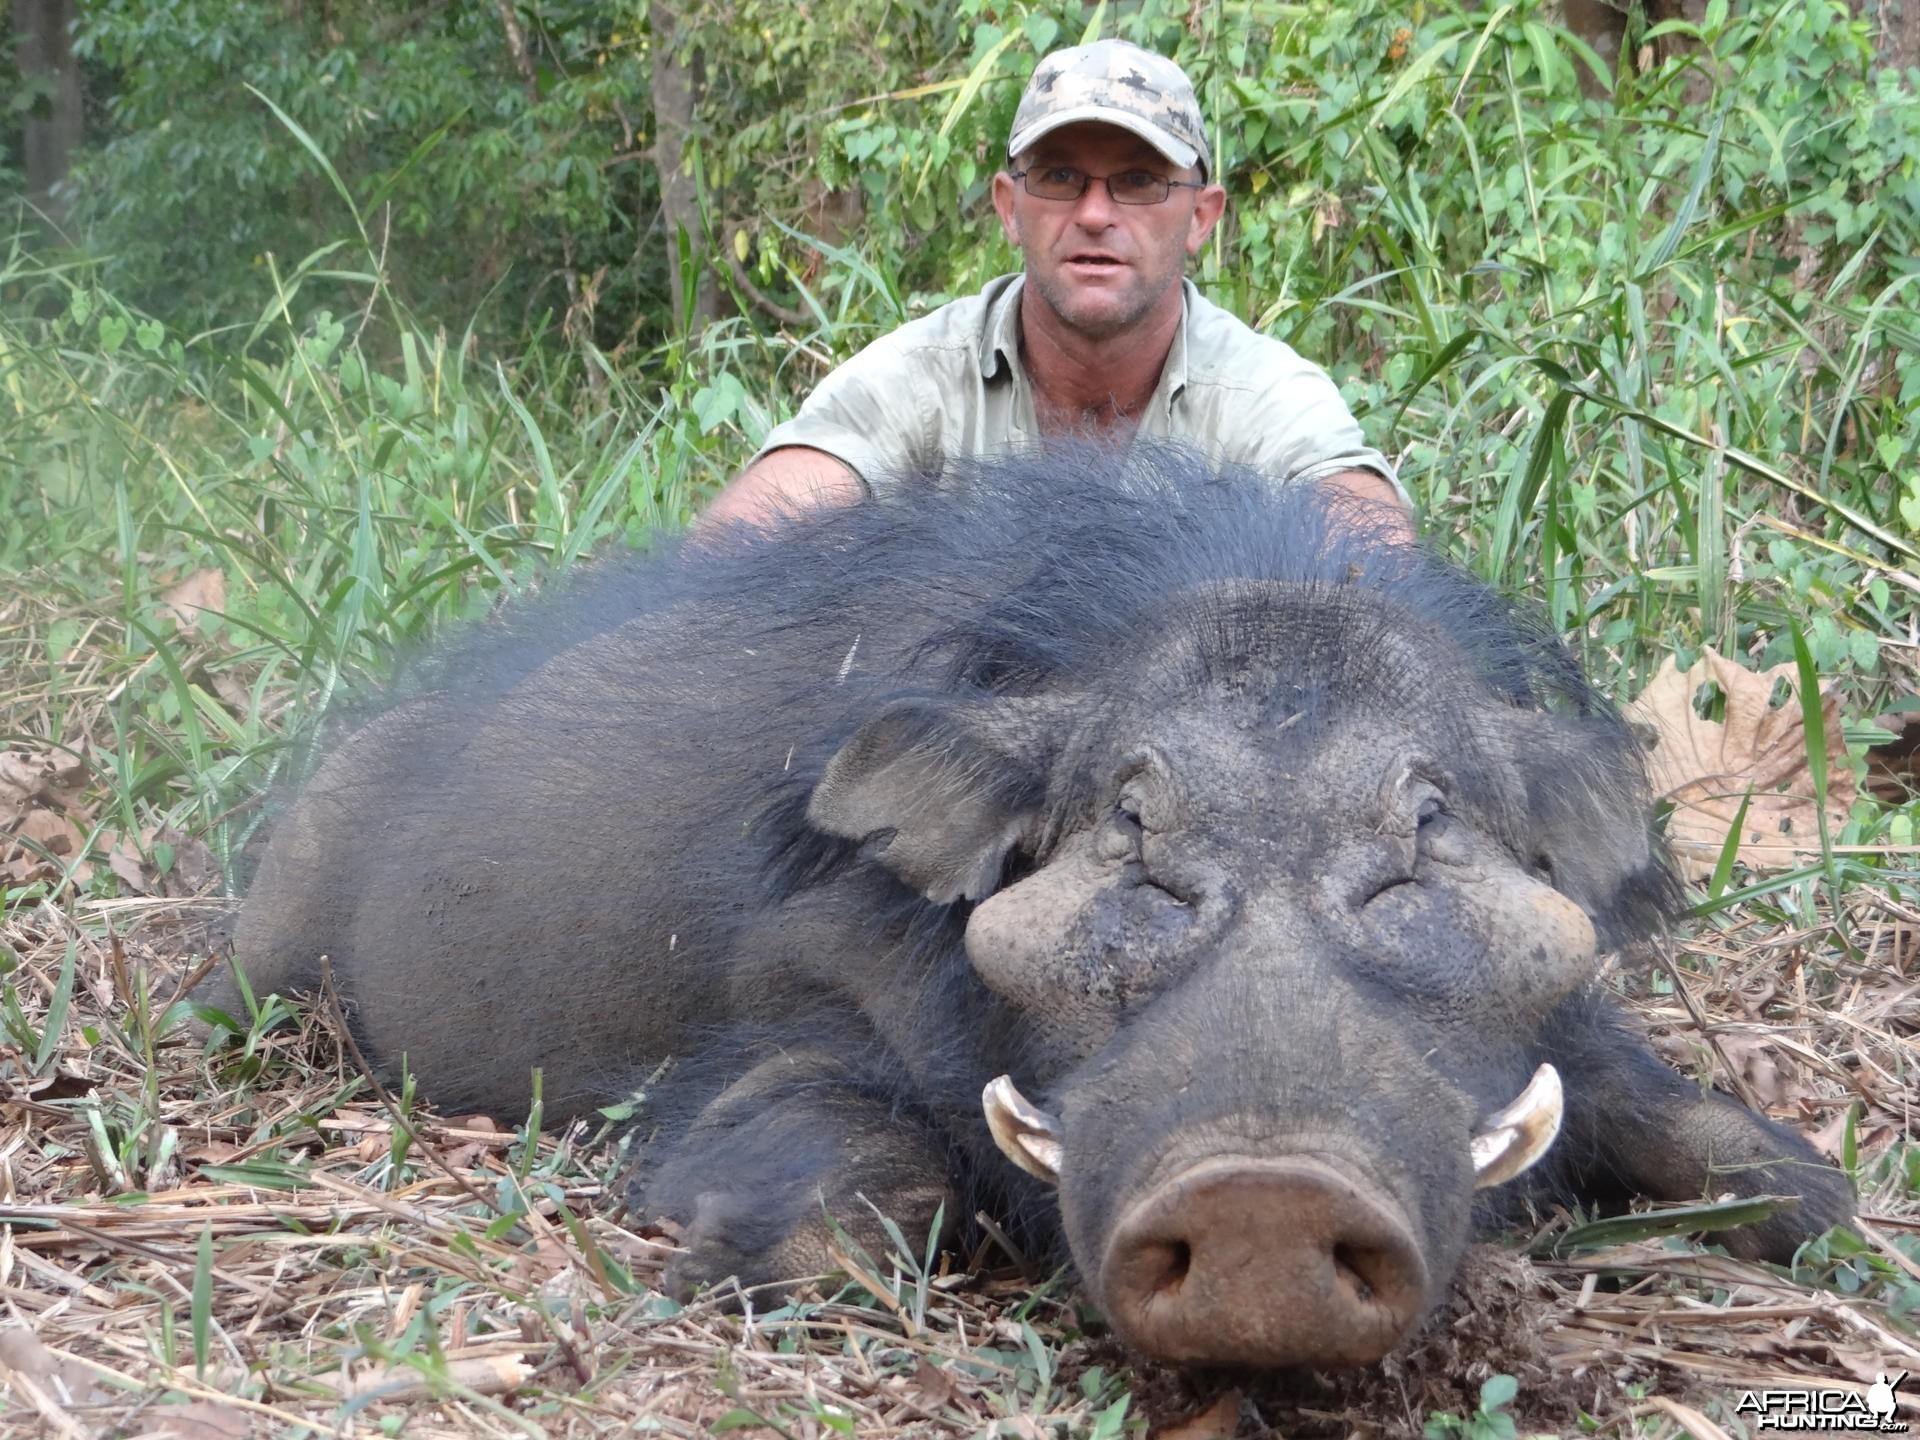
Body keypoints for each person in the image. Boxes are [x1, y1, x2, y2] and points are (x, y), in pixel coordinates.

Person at [699, 39, 1410, 541]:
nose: (1095, 214)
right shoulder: (924, 374)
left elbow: (1366, 539)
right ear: (1010, 207)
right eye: (1060, 177)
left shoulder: (1261, 395)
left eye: (1138, 180)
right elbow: (753, 532)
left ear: (1201, 217)